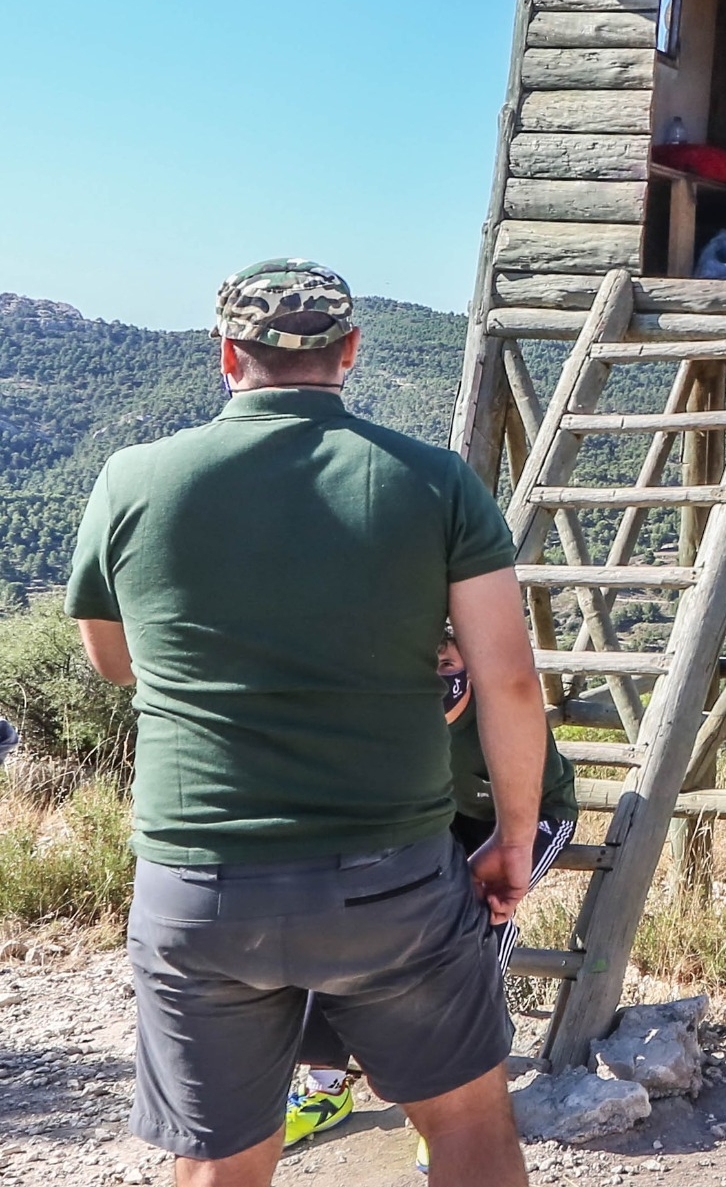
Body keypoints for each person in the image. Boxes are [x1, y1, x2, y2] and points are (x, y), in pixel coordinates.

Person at [67, 259, 546, 1187]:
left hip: (200, 886)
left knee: (218, 1162)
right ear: (350, 351)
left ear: (227, 356)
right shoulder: (435, 482)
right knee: (469, 1128)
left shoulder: (132, 479)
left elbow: (114, 662)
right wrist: (514, 838)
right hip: (390, 882)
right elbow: (511, 682)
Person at [284, 630, 582, 1157]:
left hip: (528, 818)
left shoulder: (500, 710)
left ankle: (459, 1102)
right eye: (423, 664)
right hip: (439, 818)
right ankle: (325, 1087)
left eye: (447, 664)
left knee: (475, 921)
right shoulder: (391, 710)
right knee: (345, 911)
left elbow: (533, 800)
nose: (436, 678)